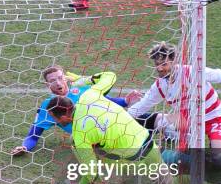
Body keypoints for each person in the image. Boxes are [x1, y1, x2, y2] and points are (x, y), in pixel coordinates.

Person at [127, 42, 221, 170]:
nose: (159, 68)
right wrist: (118, 117)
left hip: (215, 118)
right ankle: (170, 134)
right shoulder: (160, 86)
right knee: (185, 162)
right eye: (157, 65)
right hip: (189, 123)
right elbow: (140, 107)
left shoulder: (193, 72)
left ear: (173, 61)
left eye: (164, 64)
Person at [46, 73, 165, 184]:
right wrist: (84, 80)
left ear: (63, 117)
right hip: (148, 141)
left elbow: (91, 172)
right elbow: (110, 76)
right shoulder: (89, 95)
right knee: (169, 183)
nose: (56, 121)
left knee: (77, 145)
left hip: (133, 159)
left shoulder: (80, 135)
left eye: (55, 118)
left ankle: (113, 180)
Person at [10, 66, 141, 156]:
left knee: (157, 119)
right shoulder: (48, 107)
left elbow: (108, 101)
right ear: (47, 85)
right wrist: (25, 147)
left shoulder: (83, 89)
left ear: (65, 78)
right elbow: (33, 135)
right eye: (52, 80)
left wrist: (125, 101)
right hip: (94, 138)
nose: (58, 82)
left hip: (113, 122)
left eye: (60, 78)